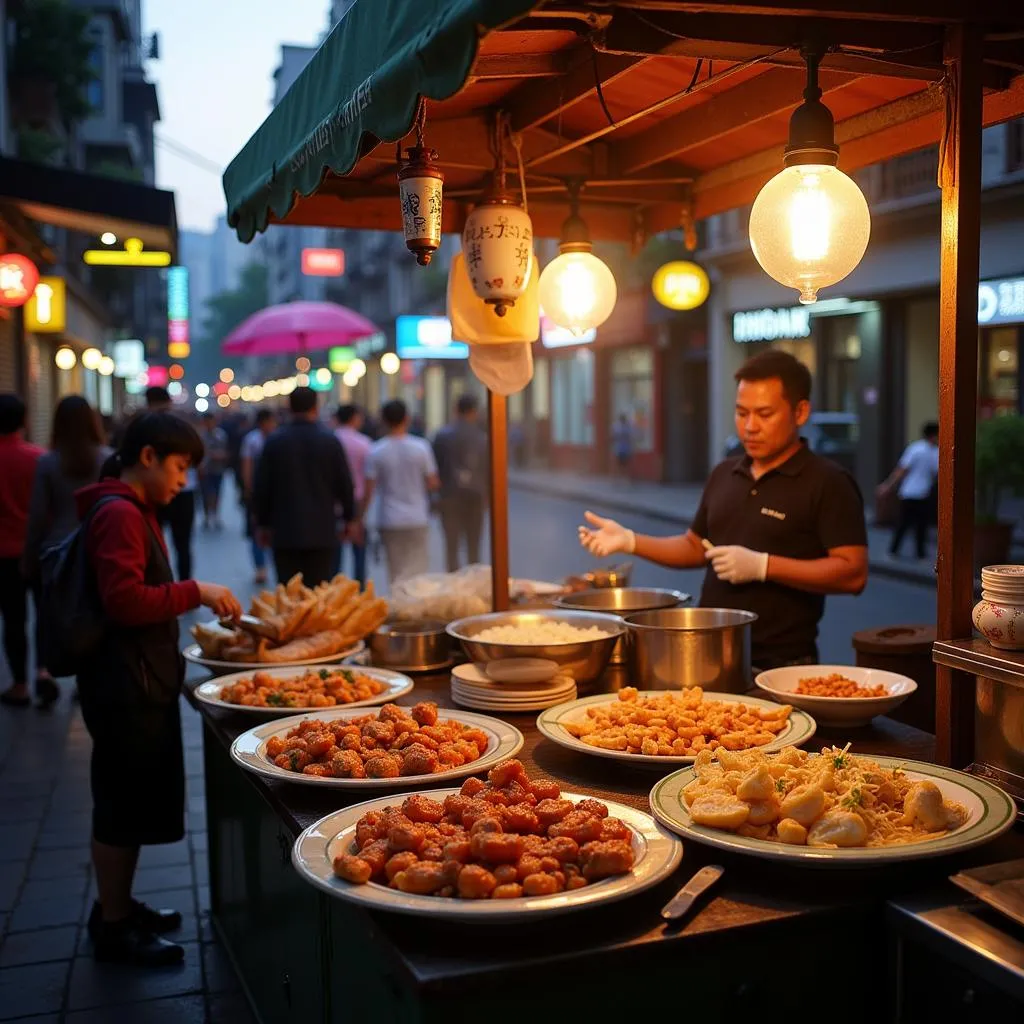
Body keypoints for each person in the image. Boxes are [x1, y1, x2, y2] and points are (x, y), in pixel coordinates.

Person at [579, 351, 869, 670]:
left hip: (780, 663)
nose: (750, 426)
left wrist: (763, 566)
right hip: (709, 653)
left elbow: (852, 573)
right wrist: (631, 541)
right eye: (741, 413)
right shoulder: (725, 473)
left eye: (764, 414)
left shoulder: (827, 482)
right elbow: (695, 546)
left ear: (800, 412)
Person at [76, 412, 240, 966]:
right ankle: (115, 925)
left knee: (130, 800)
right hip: (125, 684)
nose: (183, 481)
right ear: (147, 457)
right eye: (179, 467)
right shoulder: (120, 514)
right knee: (121, 806)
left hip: (134, 677)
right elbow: (123, 600)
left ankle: (118, 906)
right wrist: (194, 589)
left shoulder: (129, 507)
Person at [21, 396, 111, 708]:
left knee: (49, 615)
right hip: (95, 550)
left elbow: (36, 516)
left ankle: (44, 672)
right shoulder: (106, 459)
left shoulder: (47, 463)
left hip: (56, 552)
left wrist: (29, 557)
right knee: (91, 616)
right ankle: (85, 677)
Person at [255, 387, 358, 587]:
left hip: (285, 530)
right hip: (322, 530)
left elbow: (262, 487)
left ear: (289, 407)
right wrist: (349, 518)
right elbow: (344, 483)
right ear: (315, 407)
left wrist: (262, 524)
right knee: (319, 591)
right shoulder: (329, 440)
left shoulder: (275, 442)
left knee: (289, 590)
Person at [363, 399, 440, 584]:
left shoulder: (376, 451)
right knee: (418, 571)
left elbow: (369, 490)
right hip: (417, 517)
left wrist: (360, 518)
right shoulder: (421, 447)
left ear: (383, 420)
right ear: (406, 419)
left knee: (395, 572)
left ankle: (399, 609)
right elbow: (433, 483)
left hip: (390, 519)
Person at [0, 394, 44, 707]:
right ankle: (44, 672)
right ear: (25, 420)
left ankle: (19, 684)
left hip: (3, 555)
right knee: (44, 616)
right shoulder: (39, 459)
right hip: (38, 551)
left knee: (13, 620)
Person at [433, 394, 488, 571]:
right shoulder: (482, 438)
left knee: (452, 547)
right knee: (473, 546)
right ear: (474, 412)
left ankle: (454, 588)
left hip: (450, 497)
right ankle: (473, 587)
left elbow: (435, 470)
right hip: (476, 496)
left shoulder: (442, 436)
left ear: (456, 411)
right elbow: (489, 470)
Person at [146, 386, 196, 579]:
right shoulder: (183, 425)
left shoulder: (146, 427)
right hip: (182, 494)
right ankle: (181, 584)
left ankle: (167, 586)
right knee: (181, 543)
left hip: (158, 494)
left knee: (157, 543)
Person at [885, 421, 940, 561]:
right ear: (933, 435)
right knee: (918, 525)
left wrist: (888, 485)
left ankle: (895, 550)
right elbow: (935, 473)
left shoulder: (915, 448)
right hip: (920, 493)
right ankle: (919, 553)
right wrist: (888, 485)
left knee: (905, 523)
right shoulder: (933, 451)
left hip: (909, 492)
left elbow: (901, 469)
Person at [334, 404, 372, 587]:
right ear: (354, 418)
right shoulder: (364, 443)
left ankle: (334, 589)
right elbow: (369, 478)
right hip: (358, 501)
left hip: (333, 502)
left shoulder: (331, 439)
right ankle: (359, 588)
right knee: (359, 549)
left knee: (335, 551)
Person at [240, 409, 277, 584]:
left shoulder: (277, 439)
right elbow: (246, 464)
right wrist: (248, 489)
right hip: (258, 492)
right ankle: (260, 566)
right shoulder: (252, 440)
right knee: (256, 528)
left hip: (274, 492)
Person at [197, 413, 229, 530]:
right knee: (205, 494)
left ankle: (215, 516)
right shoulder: (201, 436)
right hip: (205, 470)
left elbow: (225, 451)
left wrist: (219, 455)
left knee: (217, 493)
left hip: (217, 469)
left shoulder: (220, 435)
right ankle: (206, 516)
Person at [611, 413, 634, 478]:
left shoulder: (627, 427)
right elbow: (613, 437)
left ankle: (624, 478)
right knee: (618, 464)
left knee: (625, 464)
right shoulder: (617, 426)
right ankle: (618, 478)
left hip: (624, 448)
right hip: (620, 448)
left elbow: (630, 437)